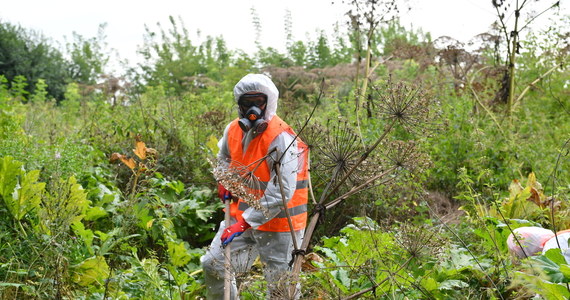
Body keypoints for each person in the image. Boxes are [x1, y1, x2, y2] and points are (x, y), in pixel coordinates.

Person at [201, 74, 309, 299]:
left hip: (282, 225)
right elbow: (224, 156)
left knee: (281, 289)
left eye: (258, 102)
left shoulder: (282, 138)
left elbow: (282, 191)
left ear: (269, 102)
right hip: (243, 218)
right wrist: (223, 179)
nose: (253, 108)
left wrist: (244, 223)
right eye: (246, 102)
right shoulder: (232, 129)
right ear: (238, 104)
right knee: (214, 264)